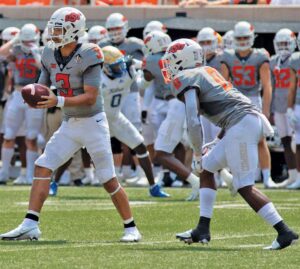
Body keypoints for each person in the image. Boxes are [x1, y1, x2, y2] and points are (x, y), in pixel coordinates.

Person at [0, 7, 141, 243]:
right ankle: (30, 224)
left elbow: (91, 96)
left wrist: (58, 99)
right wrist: (37, 99)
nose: (53, 33)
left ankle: (131, 228)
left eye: (58, 28)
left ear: (73, 30)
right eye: (53, 27)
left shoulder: (90, 53)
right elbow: (42, 88)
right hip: (69, 123)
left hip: (93, 123)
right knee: (43, 166)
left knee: (108, 179)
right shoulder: (48, 53)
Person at [160, 38, 298, 250]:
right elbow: (233, 103)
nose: (168, 65)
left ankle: (284, 231)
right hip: (245, 120)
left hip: (242, 124)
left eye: (171, 60)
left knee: (244, 186)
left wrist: (197, 153)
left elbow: (193, 119)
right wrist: (216, 140)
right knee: (207, 169)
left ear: (182, 59)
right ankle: (202, 229)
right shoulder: (208, 71)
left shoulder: (187, 77)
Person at [100, 45, 169, 197]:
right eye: (115, 66)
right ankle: (54, 181)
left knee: (140, 146)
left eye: (120, 65)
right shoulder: (98, 79)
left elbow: (142, 82)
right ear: (104, 67)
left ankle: (153, 187)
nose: (119, 69)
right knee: (74, 145)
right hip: (97, 120)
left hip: (116, 117)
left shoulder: (127, 72)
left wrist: (145, 72)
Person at [141, 31, 199, 200]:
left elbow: (145, 80)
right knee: (189, 144)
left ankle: (195, 181)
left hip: (175, 104)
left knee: (162, 152)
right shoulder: (183, 59)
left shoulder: (151, 60)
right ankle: (215, 178)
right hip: (184, 101)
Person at [221, 21, 277, 188]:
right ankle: (236, 176)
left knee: (260, 140)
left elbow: (267, 86)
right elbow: (224, 84)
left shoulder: (260, 56)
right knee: (233, 139)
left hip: (253, 99)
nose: (243, 40)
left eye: (246, 37)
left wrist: (266, 111)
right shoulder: (227, 56)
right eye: (240, 37)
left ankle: (267, 177)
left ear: (252, 37)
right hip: (235, 100)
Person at [100, 13, 144, 180]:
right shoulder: (102, 45)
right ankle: (116, 172)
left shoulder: (134, 44)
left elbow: (141, 66)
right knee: (111, 133)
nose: (114, 32)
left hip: (129, 92)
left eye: (117, 28)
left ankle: (140, 173)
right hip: (109, 93)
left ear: (125, 27)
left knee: (134, 130)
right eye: (111, 29)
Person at [0, 23, 44, 185]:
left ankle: (30, 175)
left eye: (29, 41)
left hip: (35, 94)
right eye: (24, 41)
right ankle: (4, 173)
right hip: (18, 94)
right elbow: (1, 54)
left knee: (32, 137)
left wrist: (36, 56)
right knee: (9, 135)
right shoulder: (17, 49)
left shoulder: (42, 51)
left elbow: (45, 69)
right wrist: (15, 40)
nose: (27, 44)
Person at [270, 28, 297, 188]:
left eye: (286, 43)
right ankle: (293, 175)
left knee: (296, 142)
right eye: (280, 44)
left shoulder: (295, 59)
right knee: (285, 142)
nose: (283, 47)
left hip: (293, 105)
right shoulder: (273, 61)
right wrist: (272, 108)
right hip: (279, 106)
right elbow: (271, 86)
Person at [286, 32, 300, 189]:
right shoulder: (296, 59)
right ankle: (299, 177)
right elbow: (292, 87)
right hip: (299, 105)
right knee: (298, 143)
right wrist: (289, 109)